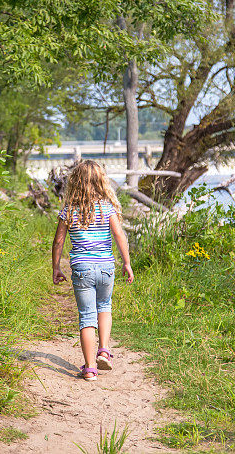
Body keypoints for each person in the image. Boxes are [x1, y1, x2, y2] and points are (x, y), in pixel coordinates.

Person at [51, 160, 134, 381]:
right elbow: (120, 236)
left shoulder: (68, 211)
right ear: (101, 182)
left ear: (75, 182)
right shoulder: (107, 208)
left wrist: (56, 267)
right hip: (106, 267)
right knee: (104, 306)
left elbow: (58, 242)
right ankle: (104, 350)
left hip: (82, 268)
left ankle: (89, 368)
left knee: (86, 317)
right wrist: (127, 263)